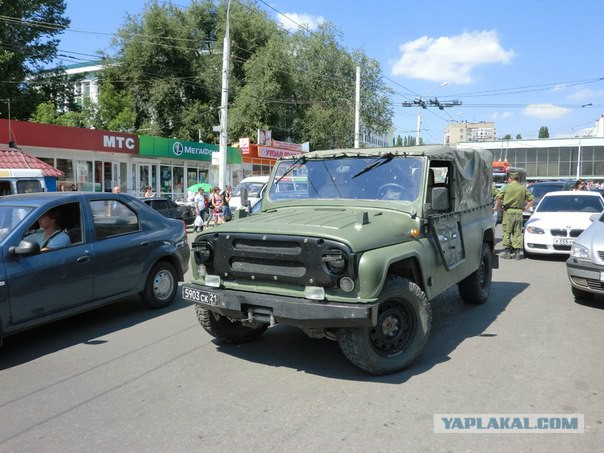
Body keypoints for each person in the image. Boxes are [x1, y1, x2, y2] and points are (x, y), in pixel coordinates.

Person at [493, 173, 534, 260]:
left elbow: (498, 197)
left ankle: (507, 253)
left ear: (511, 179)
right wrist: (525, 208)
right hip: (519, 212)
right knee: (517, 232)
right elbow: (531, 199)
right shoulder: (523, 188)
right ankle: (517, 253)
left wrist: (497, 207)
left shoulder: (506, 187)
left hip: (508, 211)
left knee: (506, 232)